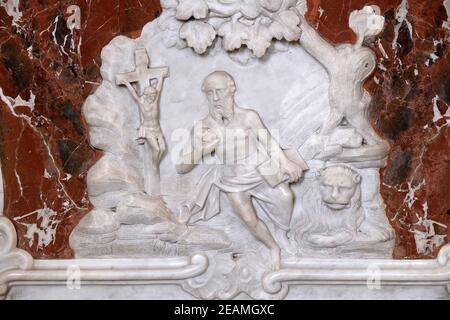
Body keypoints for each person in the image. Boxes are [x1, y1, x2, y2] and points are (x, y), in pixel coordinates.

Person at [176, 71, 305, 270]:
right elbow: (181, 167)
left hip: (259, 170)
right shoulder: (203, 127)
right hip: (231, 179)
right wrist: (202, 150)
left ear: (231, 89)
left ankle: (283, 233)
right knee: (249, 219)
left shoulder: (248, 117)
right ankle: (273, 248)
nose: (216, 98)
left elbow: (269, 143)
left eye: (219, 91)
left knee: (286, 197)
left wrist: (286, 163)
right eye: (210, 93)